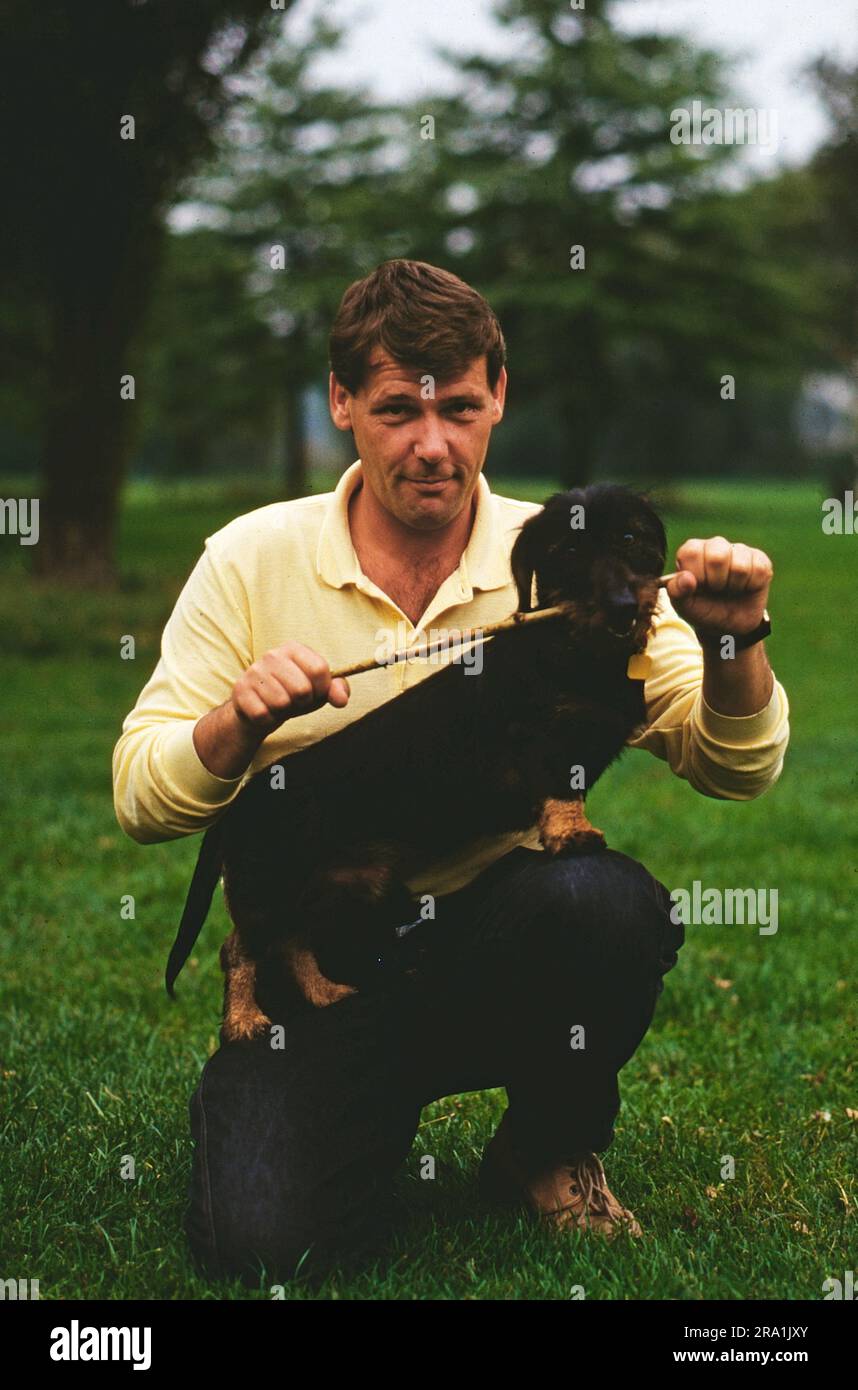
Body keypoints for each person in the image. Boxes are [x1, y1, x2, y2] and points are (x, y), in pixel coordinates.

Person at [113, 259, 789, 1284]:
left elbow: (731, 761)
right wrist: (234, 726)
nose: (432, 444)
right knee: (258, 1242)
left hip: (493, 938)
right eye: (396, 409)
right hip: (323, 958)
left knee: (598, 900)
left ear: (497, 399)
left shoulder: (570, 555)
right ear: (342, 402)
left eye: (460, 408)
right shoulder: (249, 558)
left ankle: (543, 1145)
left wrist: (737, 643)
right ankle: (346, 1107)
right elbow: (139, 794)